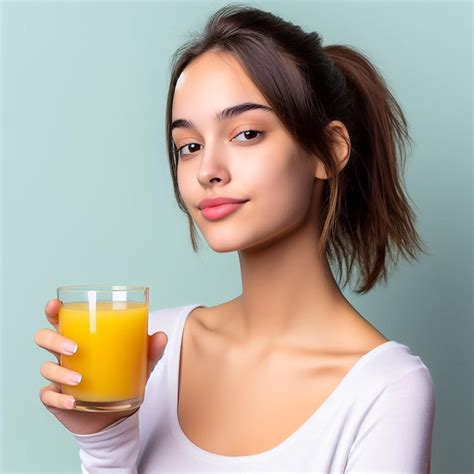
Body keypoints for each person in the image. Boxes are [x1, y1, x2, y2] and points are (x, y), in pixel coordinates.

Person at [34, 4, 436, 473]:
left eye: (246, 133)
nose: (207, 170)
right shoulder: (150, 354)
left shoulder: (387, 390)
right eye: (189, 146)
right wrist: (105, 444)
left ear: (328, 151)